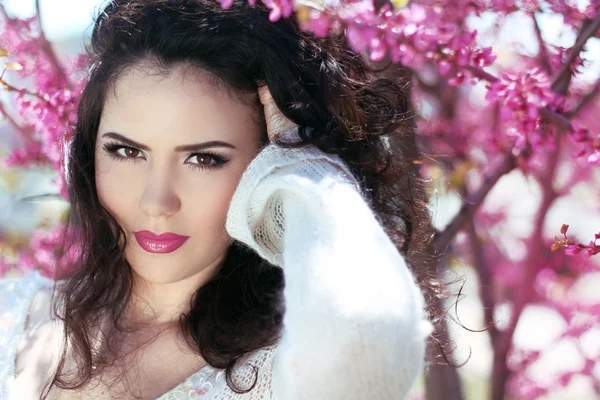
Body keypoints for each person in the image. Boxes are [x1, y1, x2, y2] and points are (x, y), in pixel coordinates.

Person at [0, 0, 438, 399]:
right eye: (127, 151)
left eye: (203, 159)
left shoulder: (282, 373)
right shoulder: (13, 311)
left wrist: (304, 165)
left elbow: (371, 336)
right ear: (88, 153)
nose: (157, 202)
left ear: (263, 168)